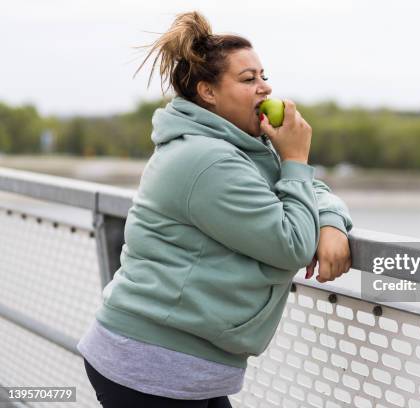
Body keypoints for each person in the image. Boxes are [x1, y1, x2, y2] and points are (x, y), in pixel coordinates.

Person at [77, 10, 353, 408]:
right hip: (151, 365)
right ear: (207, 92)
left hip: (187, 364)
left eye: (263, 76)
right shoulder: (208, 161)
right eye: (247, 79)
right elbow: (291, 243)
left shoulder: (238, 149)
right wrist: (295, 157)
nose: (264, 88)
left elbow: (310, 190)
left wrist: (330, 224)